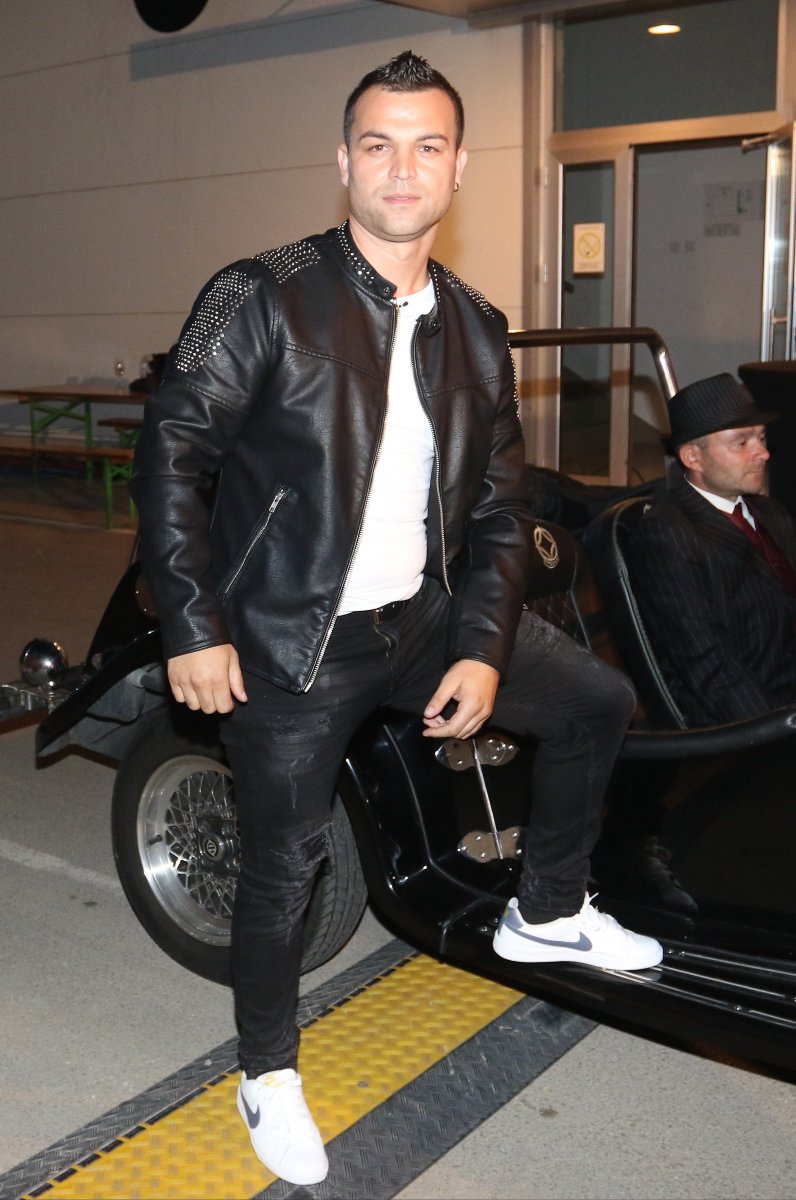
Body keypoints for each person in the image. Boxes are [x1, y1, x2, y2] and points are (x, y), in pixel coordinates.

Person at [131, 51, 660, 1187]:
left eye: (427, 146)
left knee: (593, 701)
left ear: (460, 168)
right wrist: (192, 625)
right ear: (344, 161)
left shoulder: (476, 324)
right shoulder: (260, 294)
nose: (402, 168)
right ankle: (266, 1071)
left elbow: (501, 509)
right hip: (289, 636)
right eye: (379, 145)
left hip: (418, 617)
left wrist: (480, 647)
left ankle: (545, 911)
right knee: (285, 869)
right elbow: (170, 456)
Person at [625, 372, 796, 727]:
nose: (763, 453)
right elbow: (706, 662)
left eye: (761, 438)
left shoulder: (772, 515)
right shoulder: (667, 533)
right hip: (742, 722)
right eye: (741, 443)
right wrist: (771, 732)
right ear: (693, 457)